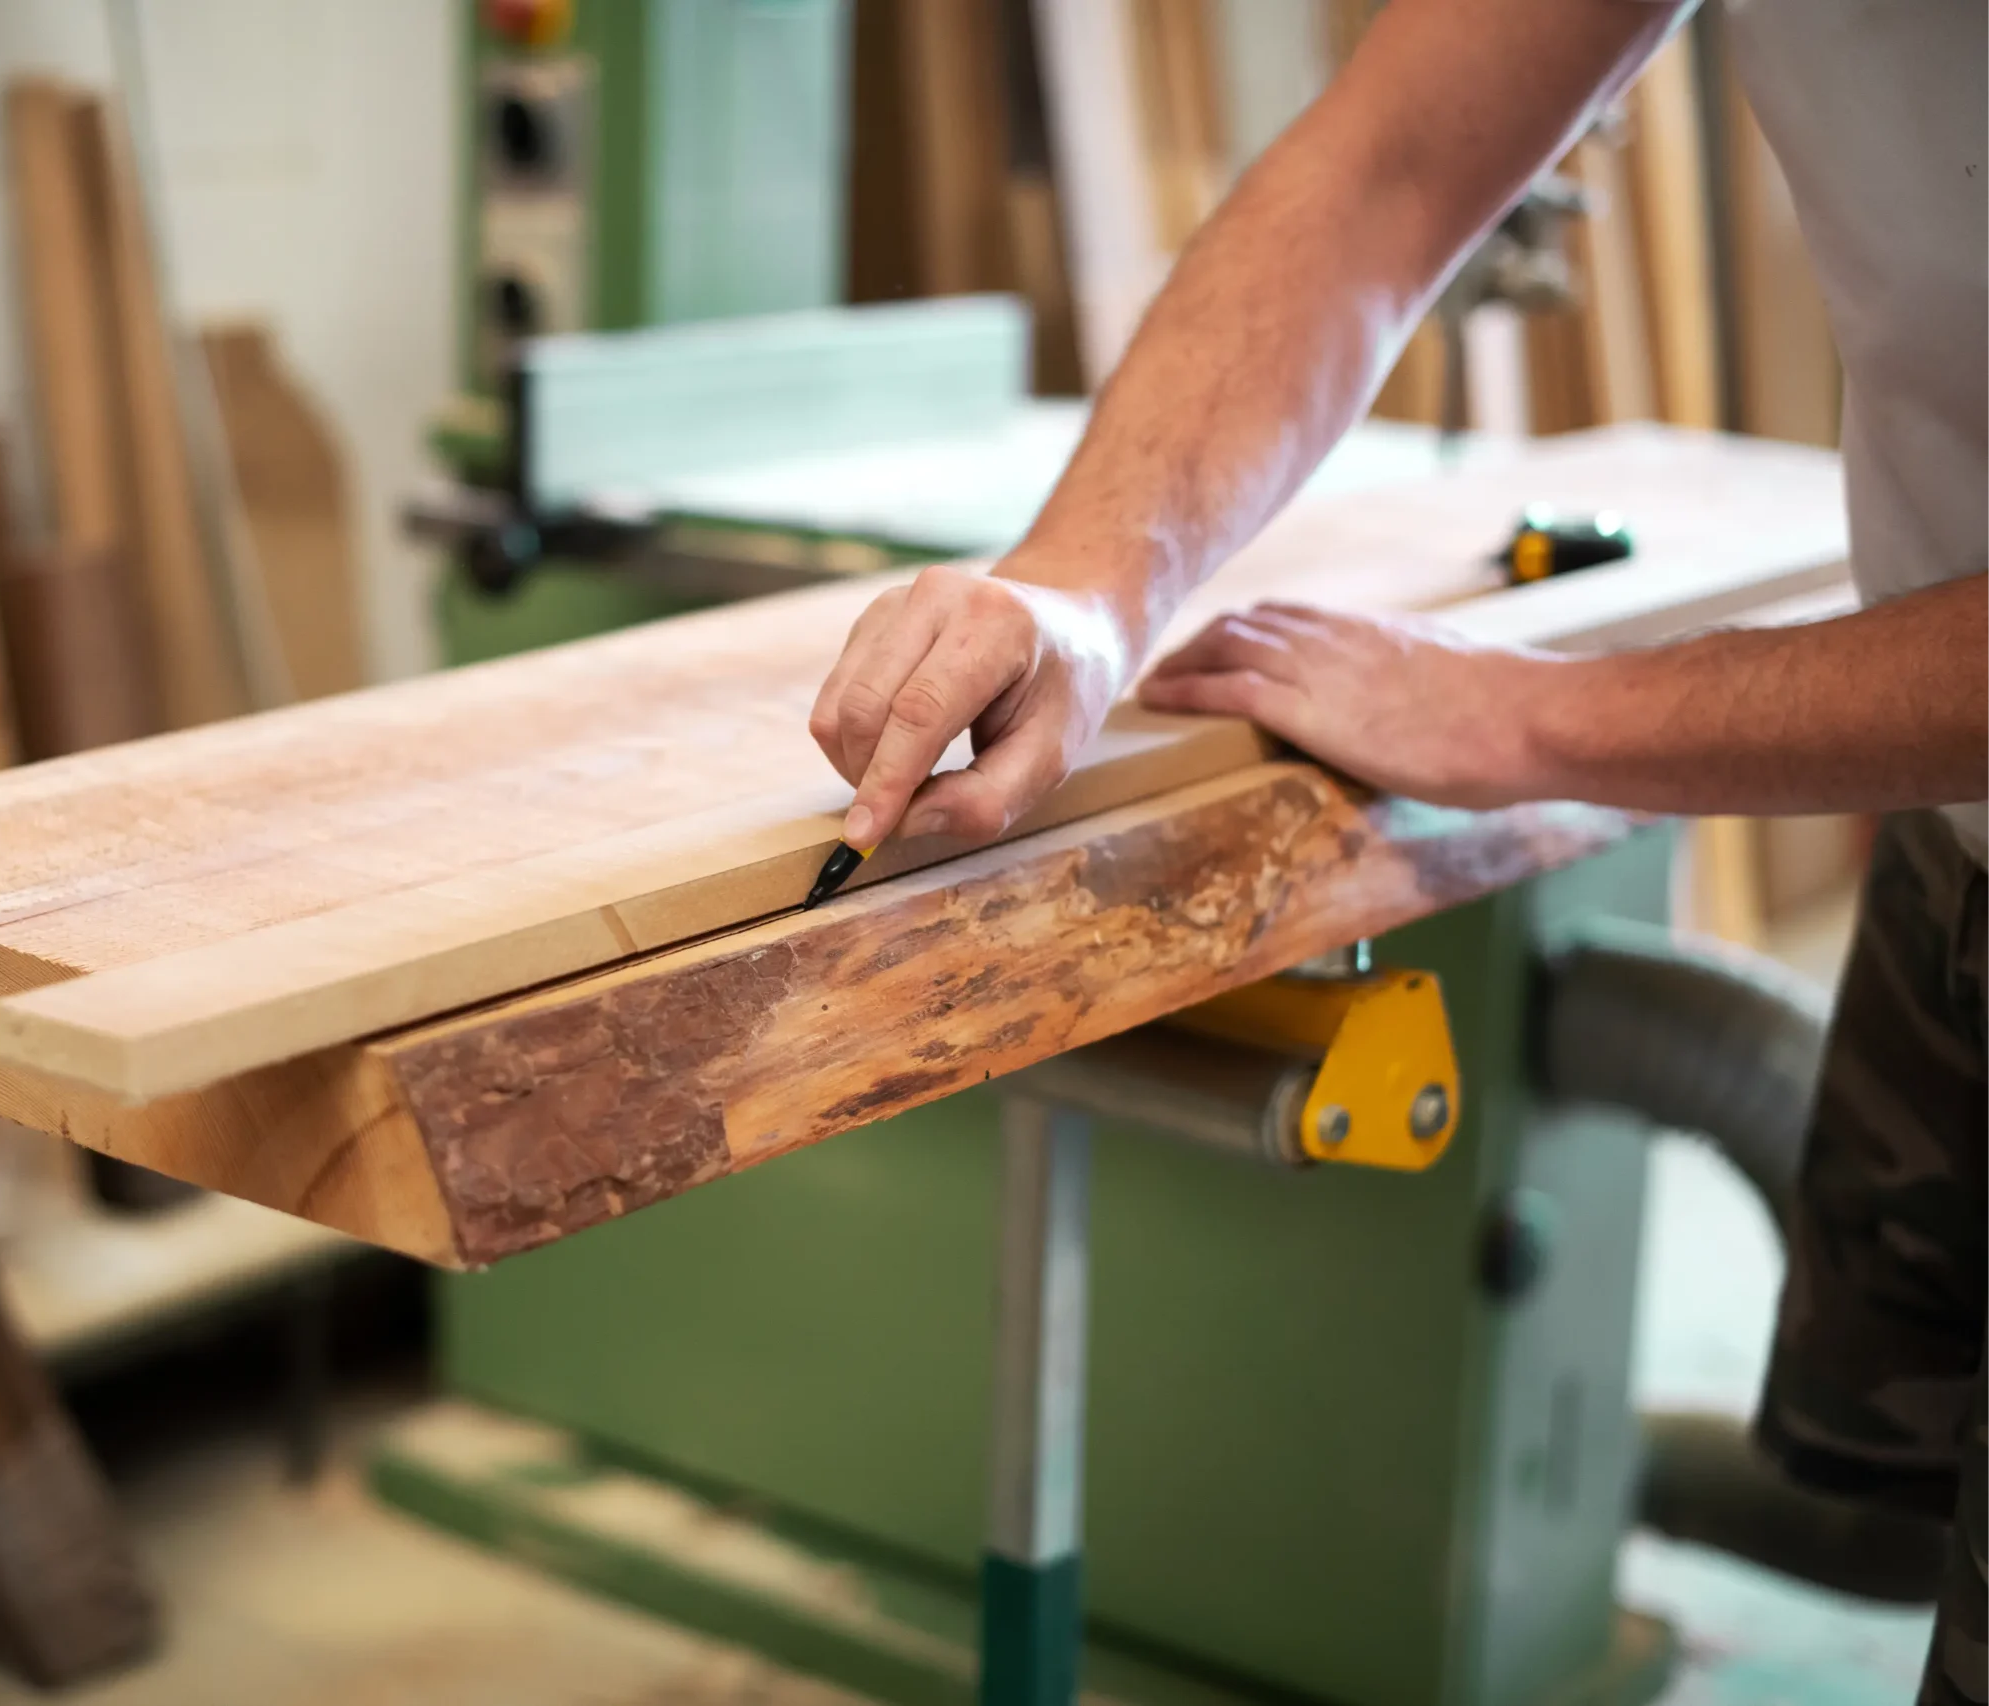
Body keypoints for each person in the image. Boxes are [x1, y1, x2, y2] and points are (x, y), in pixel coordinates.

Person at [806, 0, 1989, 1693]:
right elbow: (1386, 168)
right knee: (1892, 1486)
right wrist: (1081, 593)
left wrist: (1534, 718)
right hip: (1961, 837)